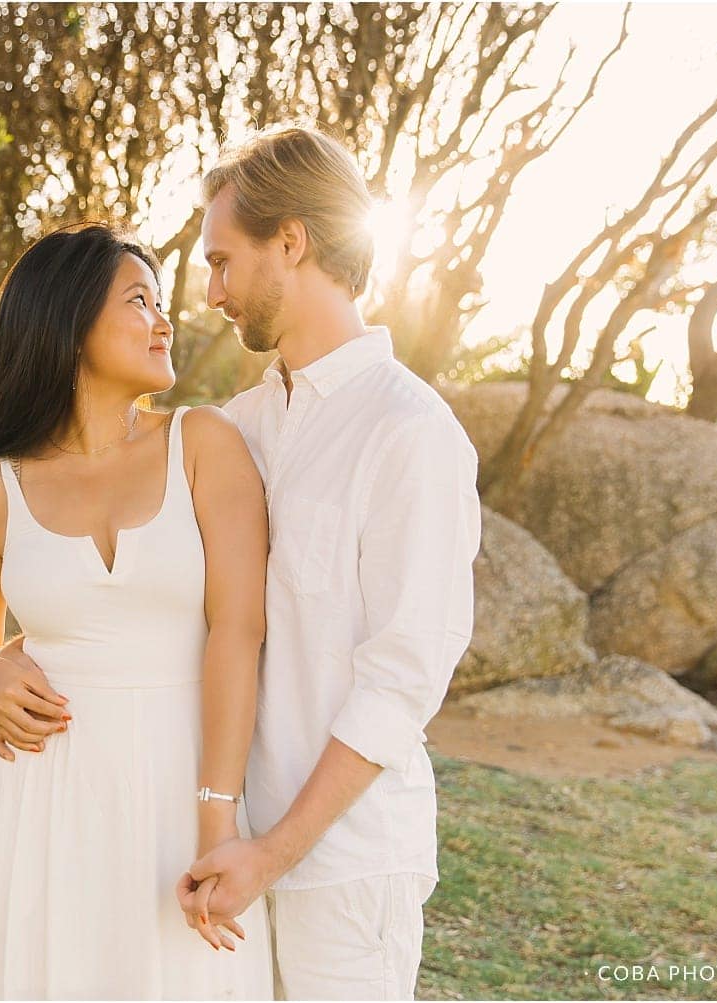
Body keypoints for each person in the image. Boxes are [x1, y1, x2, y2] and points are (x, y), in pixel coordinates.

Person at [170, 125, 483, 1000]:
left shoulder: (410, 432)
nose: (211, 291)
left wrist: (272, 853)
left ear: (293, 240)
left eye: (223, 261)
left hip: (344, 874)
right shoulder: (240, 426)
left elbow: (403, 679)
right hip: (225, 853)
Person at [0, 221, 275, 1000]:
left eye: (161, 301)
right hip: (46, 800)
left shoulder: (203, 443)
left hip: (182, 785)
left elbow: (238, 632)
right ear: (67, 320)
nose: (164, 319)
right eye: (139, 300)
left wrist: (216, 817)